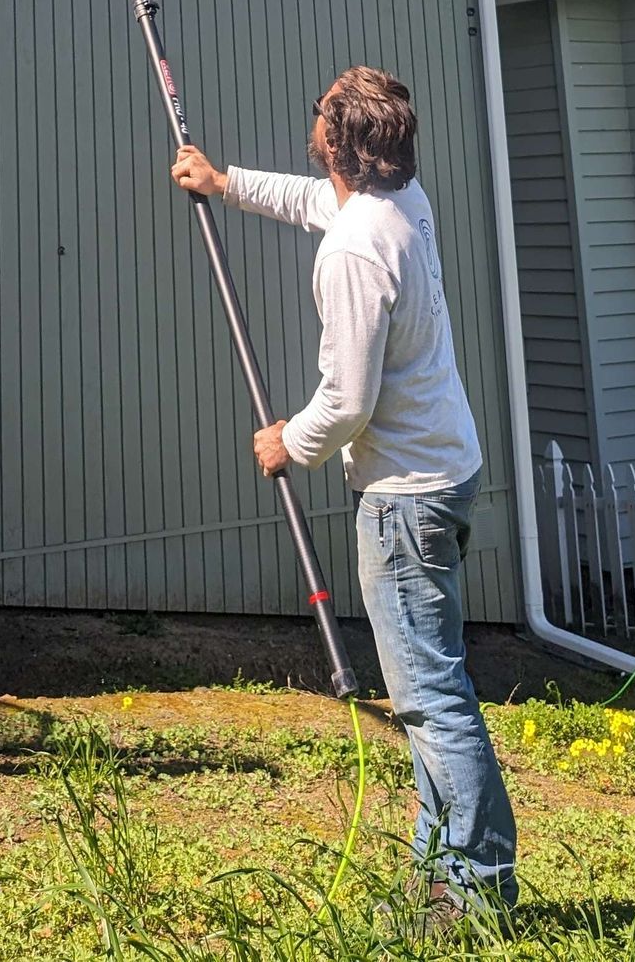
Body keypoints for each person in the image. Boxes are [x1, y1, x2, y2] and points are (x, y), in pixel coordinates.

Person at [170, 64, 516, 917]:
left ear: (341, 145)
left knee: (431, 697)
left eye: (324, 115)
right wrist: (226, 183)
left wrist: (290, 441)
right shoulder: (402, 204)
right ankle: (443, 873)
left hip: (405, 496)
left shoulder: (356, 251)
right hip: (446, 471)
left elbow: (348, 400)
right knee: (430, 688)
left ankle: (479, 890)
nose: (315, 120)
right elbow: (316, 203)